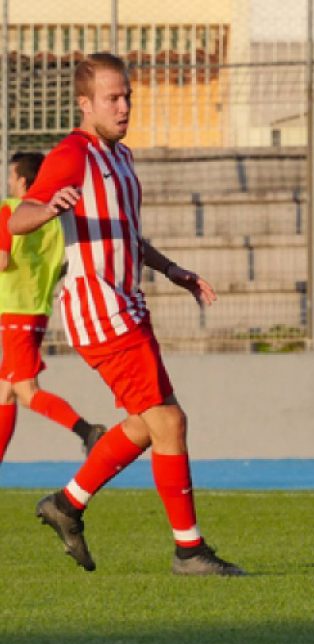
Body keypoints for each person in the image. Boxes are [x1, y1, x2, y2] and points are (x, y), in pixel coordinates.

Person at [8, 52, 243, 576]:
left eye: (128, 96)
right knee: (170, 421)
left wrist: (170, 268)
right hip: (101, 312)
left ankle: (67, 504)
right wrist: (47, 208)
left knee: (144, 424)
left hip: (127, 304)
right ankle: (189, 551)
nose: (124, 106)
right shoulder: (72, 154)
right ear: (84, 103)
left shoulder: (120, 156)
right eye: (113, 98)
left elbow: (126, 234)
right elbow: (22, 217)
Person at [0, 152, 107, 462]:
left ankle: (87, 431)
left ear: (21, 181)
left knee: (26, 391)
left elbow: (3, 260)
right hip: (37, 308)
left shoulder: (9, 211)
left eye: (11, 176)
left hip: (16, 310)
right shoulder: (53, 218)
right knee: (5, 391)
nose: (8, 182)